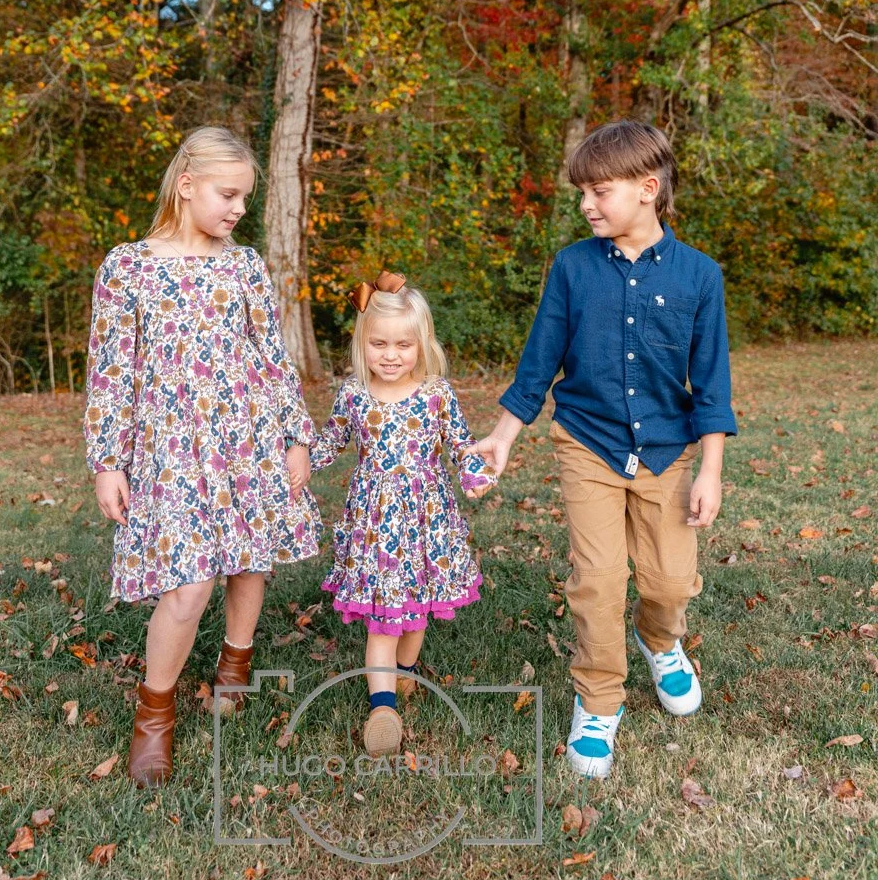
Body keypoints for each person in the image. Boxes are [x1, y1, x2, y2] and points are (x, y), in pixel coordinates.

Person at [474, 121, 737, 779]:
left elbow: (711, 383)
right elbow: (540, 359)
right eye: (582, 194)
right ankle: (599, 700)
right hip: (587, 443)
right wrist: (504, 436)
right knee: (596, 581)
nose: (587, 204)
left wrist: (710, 469)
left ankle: (661, 640)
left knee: (670, 582)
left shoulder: (700, 278)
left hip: (669, 452)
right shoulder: (572, 268)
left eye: (600, 191)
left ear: (647, 189)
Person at [84, 125, 322, 787]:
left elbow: (272, 359)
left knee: (249, 558)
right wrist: (108, 458)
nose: (238, 208)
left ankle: (236, 663)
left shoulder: (243, 265)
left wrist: (295, 435)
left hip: (246, 437)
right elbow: (110, 370)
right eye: (227, 193)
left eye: (245, 197)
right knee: (189, 585)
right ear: (186, 184)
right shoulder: (128, 265)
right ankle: (153, 716)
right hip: (172, 450)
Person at [311, 270, 496, 758]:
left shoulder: (437, 394)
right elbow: (330, 440)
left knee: (415, 617)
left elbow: (459, 442)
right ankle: (382, 708)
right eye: (378, 344)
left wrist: (474, 472)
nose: (390, 355)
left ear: (421, 345)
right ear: (362, 344)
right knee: (381, 619)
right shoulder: (354, 394)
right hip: (375, 525)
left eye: (402, 345)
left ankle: (407, 674)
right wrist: (298, 461)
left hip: (426, 520)